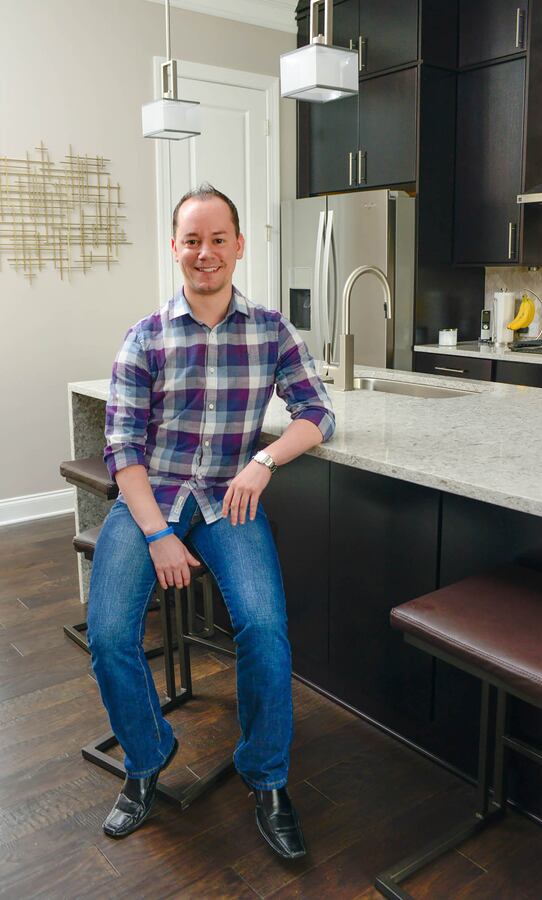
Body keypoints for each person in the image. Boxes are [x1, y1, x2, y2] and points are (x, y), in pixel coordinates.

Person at [87, 183, 335, 859]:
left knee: (265, 628)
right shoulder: (145, 337)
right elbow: (123, 452)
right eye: (192, 240)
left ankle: (268, 777)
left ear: (238, 246)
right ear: (175, 248)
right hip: (152, 500)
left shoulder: (271, 330)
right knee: (109, 634)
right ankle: (146, 759)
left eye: (217, 238)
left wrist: (265, 461)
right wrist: (160, 534)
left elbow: (318, 413)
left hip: (231, 499)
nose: (205, 253)